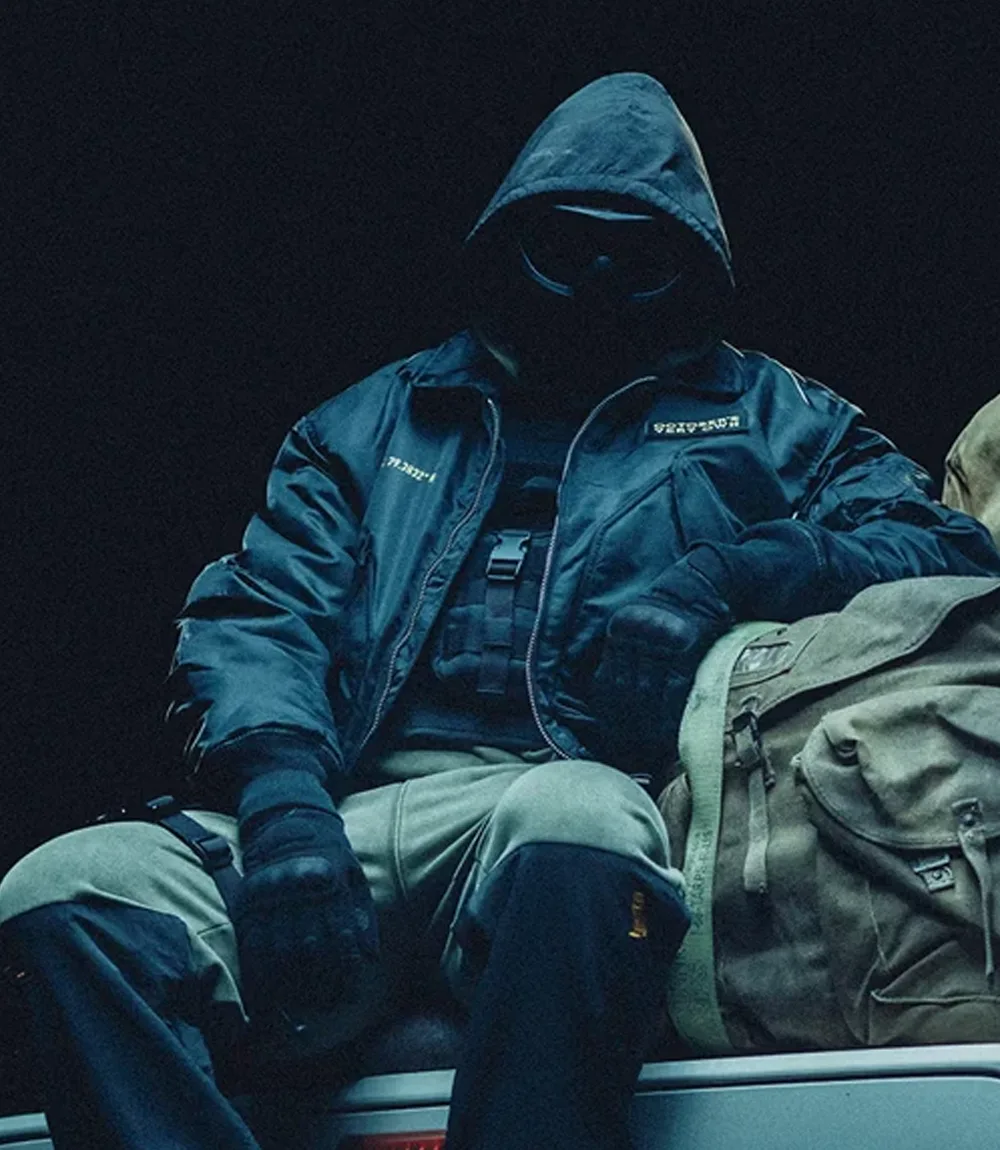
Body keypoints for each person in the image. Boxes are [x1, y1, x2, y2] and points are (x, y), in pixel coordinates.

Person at [2, 71, 999, 1150]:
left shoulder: (772, 415)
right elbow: (260, 616)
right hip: (339, 810)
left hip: (578, 798)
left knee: (582, 821)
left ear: (696, 266)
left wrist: (724, 576)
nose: (602, 278)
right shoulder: (370, 422)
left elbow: (945, 549)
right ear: (506, 237)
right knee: (63, 887)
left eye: (640, 255)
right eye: (568, 245)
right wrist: (284, 804)